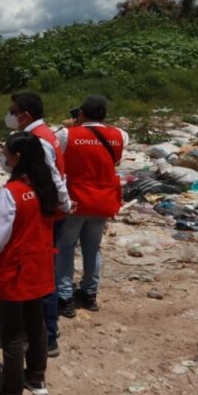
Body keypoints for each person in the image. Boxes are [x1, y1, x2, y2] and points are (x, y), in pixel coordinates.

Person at [0, 133, 60, 395]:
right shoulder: (45, 186)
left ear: (17, 158)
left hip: (14, 271)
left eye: (6, 153)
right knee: (36, 325)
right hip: (40, 266)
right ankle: (36, 378)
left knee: (13, 334)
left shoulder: (11, 192)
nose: (4, 158)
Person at [6, 92, 71, 357]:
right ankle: (43, 330)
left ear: (26, 115)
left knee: (41, 278)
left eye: (13, 111)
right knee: (44, 274)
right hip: (49, 212)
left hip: (46, 216)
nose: (10, 115)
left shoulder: (39, 139)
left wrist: (64, 205)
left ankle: (47, 336)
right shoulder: (46, 133)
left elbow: (53, 177)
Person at [55, 96, 128, 316]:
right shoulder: (120, 135)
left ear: (81, 114)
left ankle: (64, 297)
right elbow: (116, 160)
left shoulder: (67, 134)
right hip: (104, 201)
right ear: (104, 115)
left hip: (76, 201)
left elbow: (56, 155)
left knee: (66, 248)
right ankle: (89, 293)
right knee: (93, 248)